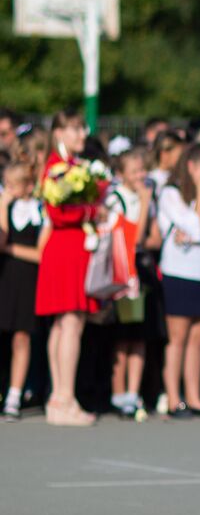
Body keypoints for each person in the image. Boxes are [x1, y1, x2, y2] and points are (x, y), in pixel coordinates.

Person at [34, 111, 102, 426]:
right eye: (75, 129)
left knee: (65, 324)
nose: (81, 135)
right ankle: (64, 397)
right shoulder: (56, 169)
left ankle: (60, 397)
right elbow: (58, 213)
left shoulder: (75, 168)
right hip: (65, 248)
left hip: (73, 248)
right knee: (70, 322)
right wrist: (92, 210)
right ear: (60, 131)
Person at [158, 144, 200, 418]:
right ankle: (174, 398)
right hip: (178, 272)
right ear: (193, 167)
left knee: (198, 338)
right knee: (178, 337)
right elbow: (195, 227)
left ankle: (195, 397)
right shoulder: (171, 194)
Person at [104, 149, 154, 419]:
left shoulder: (143, 198)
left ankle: (133, 394)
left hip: (141, 272)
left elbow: (151, 237)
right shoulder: (116, 199)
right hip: (122, 274)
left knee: (139, 336)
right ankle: (118, 392)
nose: (140, 176)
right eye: (134, 171)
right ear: (121, 173)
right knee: (121, 337)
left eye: (142, 170)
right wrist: (145, 204)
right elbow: (134, 238)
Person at [0, 163, 42, 420]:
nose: (11, 190)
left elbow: (41, 254)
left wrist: (12, 251)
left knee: (22, 338)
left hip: (27, 281)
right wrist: (3, 205)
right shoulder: (4, 207)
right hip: (3, 278)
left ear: (28, 185)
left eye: (15, 185)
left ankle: (14, 396)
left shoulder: (39, 211)